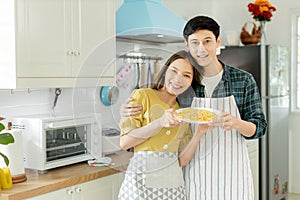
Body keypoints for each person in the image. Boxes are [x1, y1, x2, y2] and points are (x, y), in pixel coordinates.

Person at [120, 15, 267, 200]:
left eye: (207, 41)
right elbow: (158, 104)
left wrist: (237, 123)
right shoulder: (184, 84)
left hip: (232, 174)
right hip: (194, 172)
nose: (201, 49)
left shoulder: (243, 80)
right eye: (195, 42)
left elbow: (260, 128)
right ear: (187, 45)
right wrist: (125, 109)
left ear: (217, 42)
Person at [118, 50, 206, 200]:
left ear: (192, 82)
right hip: (140, 183)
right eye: (174, 71)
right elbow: (125, 142)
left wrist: (199, 133)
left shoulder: (184, 112)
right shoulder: (143, 96)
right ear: (165, 71)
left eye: (186, 75)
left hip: (172, 184)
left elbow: (182, 160)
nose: (178, 79)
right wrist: (160, 122)